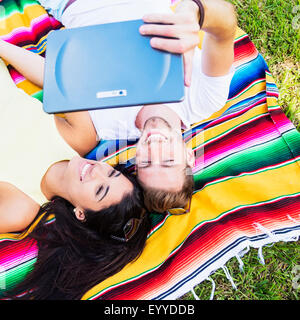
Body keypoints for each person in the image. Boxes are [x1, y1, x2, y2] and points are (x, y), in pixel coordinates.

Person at [0, 0, 237, 212]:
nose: (155, 148)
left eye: (146, 162)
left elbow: (58, 79)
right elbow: (226, 25)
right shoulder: (204, 100)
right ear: (188, 155)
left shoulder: (106, 126)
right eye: (167, 160)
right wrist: (194, 10)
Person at [0, 156, 150, 299]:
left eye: (99, 190)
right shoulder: (82, 137)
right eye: (111, 173)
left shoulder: (18, 211)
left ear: (81, 214)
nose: (96, 170)